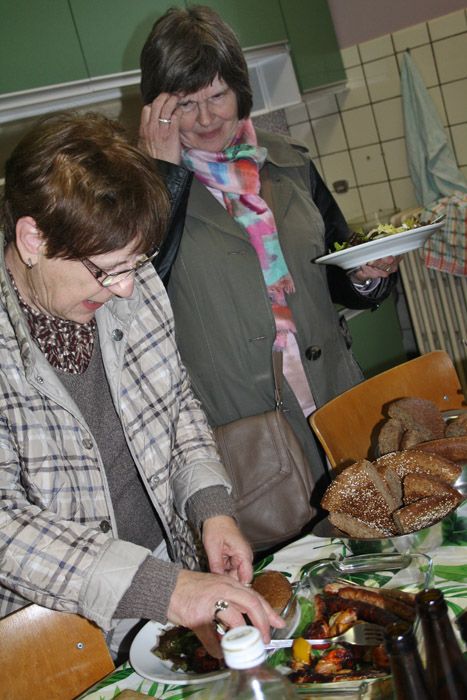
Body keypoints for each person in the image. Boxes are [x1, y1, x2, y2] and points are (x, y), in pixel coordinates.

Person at [0, 111, 284, 661]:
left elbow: (175, 402)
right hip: (57, 629)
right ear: (33, 238)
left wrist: (211, 507)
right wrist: (164, 589)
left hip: (170, 573)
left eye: (138, 263)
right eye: (109, 270)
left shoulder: (130, 273)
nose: (129, 288)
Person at [138, 5, 401, 539]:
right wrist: (162, 177)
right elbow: (137, 293)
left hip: (335, 399)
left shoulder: (288, 163)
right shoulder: (140, 194)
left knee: (380, 552)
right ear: (159, 110)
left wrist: (366, 274)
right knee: (293, 578)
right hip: (246, 435)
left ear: (240, 90)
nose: (206, 118)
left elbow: (336, 266)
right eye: (186, 103)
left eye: (217, 95)